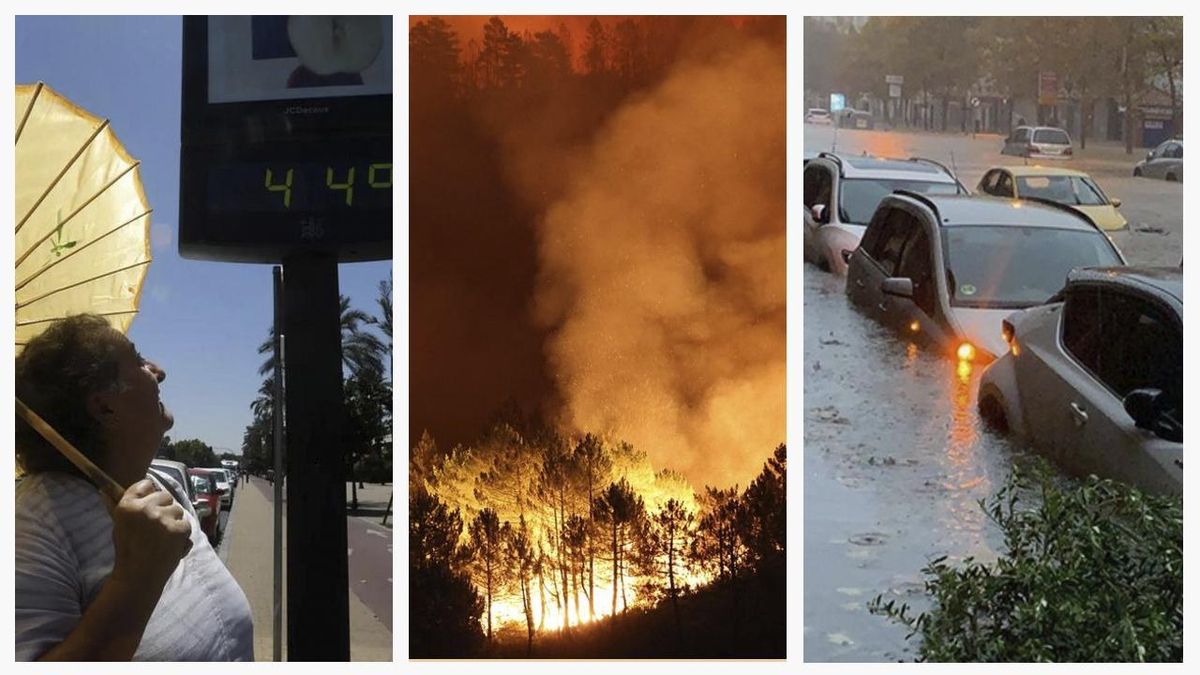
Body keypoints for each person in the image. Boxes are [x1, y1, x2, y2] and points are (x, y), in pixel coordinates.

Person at [15, 314, 254, 661]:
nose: (159, 371)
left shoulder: (161, 483)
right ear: (104, 407)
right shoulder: (32, 528)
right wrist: (137, 579)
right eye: (138, 359)